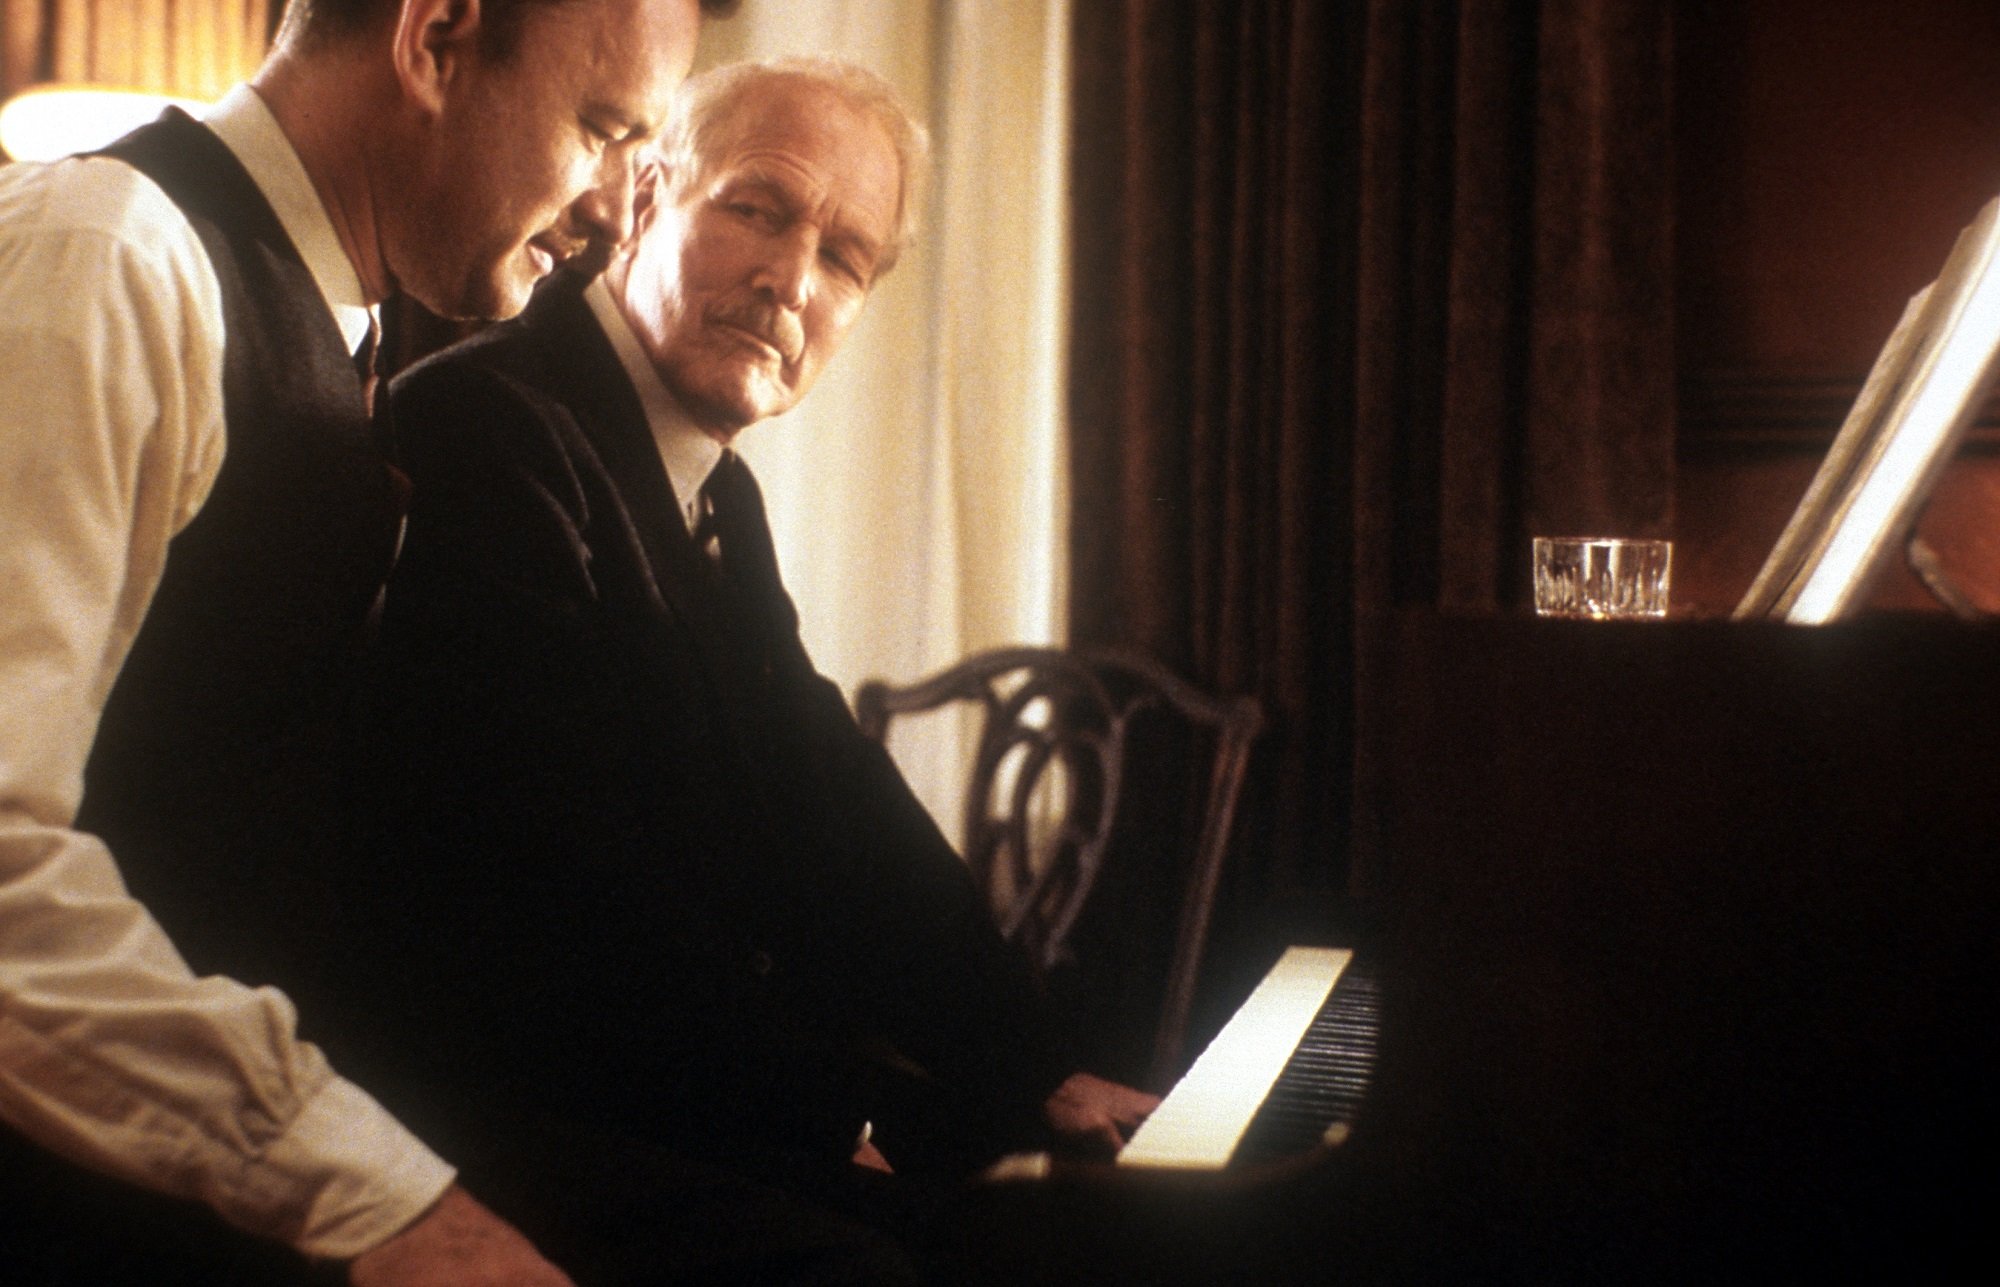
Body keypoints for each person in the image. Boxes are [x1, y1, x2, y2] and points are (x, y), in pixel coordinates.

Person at [359, 55, 1159, 1278]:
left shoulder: (713, 488)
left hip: (650, 1094)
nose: (791, 279)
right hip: (486, 1126)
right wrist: (852, 1111)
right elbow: (558, 893)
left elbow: (828, 794)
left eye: (843, 259)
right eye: (757, 209)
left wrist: (1034, 1069)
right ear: (645, 198)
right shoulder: (490, 426)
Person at [0, 1, 718, 1282]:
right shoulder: (108, 255)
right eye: (602, 131)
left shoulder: (357, 334)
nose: (617, 212)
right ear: (434, 40)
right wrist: (382, 1201)